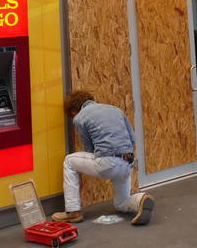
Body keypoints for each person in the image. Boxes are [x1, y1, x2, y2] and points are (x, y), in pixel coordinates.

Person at [51, 90, 155, 226]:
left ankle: (73, 211)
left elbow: (89, 148)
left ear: (73, 111)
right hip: (127, 162)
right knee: (121, 203)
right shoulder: (116, 110)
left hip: (107, 162)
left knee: (69, 161)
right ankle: (141, 199)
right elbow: (133, 139)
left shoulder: (79, 118)